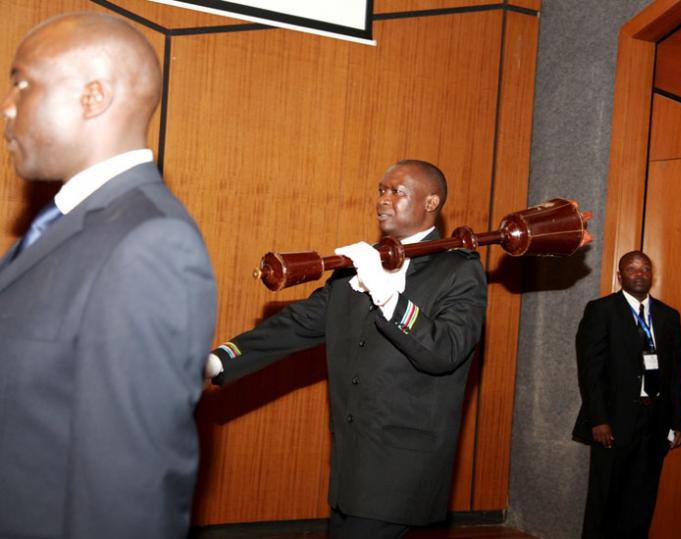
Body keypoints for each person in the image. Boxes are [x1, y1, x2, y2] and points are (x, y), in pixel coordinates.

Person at [0, 12, 216, 539]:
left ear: (93, 97)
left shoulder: (150, 244)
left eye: (22, 83)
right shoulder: (60, 228)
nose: (7, 107)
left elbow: (130, 494)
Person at [206, 159, 487, 538]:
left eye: (397, 192)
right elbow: (299, 323)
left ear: (431, 202)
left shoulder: (457, 269)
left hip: (404, 463)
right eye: (381, 190)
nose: (383, 200)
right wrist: (220, 360)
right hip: (352, 462)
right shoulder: (359, 264)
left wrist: (387, 295)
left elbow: (445, 351)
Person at [572, 251, 681, 538]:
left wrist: (678, 421)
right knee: (605, 500)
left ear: (652, 275)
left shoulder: (668, 316)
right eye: (632, 269)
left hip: (654, 423)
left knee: (642, 500)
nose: (639, 274)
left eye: (645, 269)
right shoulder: (601, 311)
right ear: (620, 276)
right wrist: (599, 419)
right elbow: (591, 371)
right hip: (612, 423)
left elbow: (677, 374)